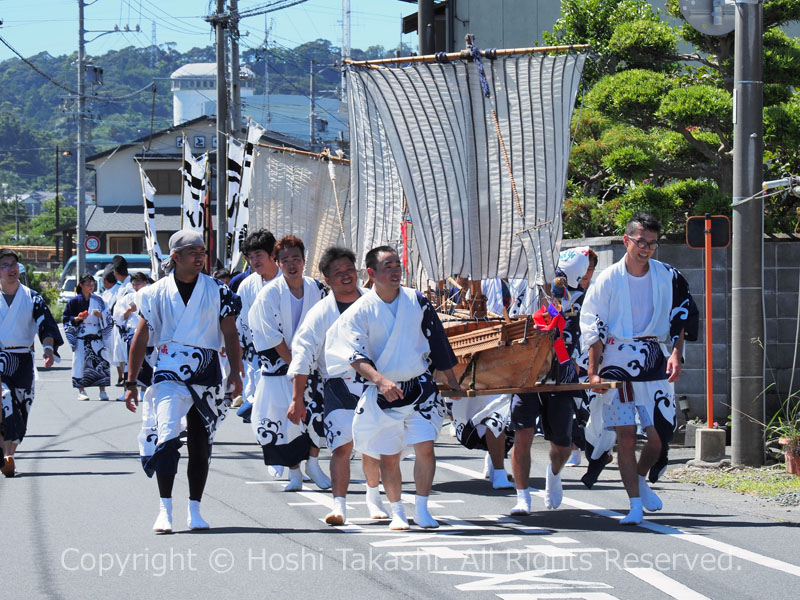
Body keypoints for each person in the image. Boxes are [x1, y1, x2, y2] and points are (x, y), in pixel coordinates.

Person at [326, 246, 463, 530]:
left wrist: (451, 378)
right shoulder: (359, 311)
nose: (395, 270)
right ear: (373, 274)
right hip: (384, 390)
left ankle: (422, 509)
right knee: (389, 456)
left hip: (420, 387)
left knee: (425, 447)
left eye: (397, 264)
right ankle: (397, 510)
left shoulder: (417, 300)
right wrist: (380, 380)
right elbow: (354, 355)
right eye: (387, 266)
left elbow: (437, 340)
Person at [580, 212, 698, 525]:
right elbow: (592, 326)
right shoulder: (608, 279)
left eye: (652, 244)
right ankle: (633, 504)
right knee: (627, 437)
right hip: (617, 361)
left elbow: (682, 316)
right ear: (626, 240)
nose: (645, 248)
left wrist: (676, 354)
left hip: (654, 355)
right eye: (640, 241)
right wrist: (594, 372)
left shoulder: (667, 276)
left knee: (659, 437)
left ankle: (641, 479)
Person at [124, 230, 243, 533]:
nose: (200, 256)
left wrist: (236, 371)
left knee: (201, 445)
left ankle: (195, 509)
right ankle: (165, 509)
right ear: (175, 257)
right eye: (192, 251)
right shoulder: (154, 292)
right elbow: (142, 336)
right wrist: (131, 380)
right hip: (169, 371)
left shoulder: (219, 290)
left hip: (207, 371)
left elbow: (230, 333)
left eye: (202, 251)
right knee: (167, 438)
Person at [288, 246, 389, 524]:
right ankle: (339, 505)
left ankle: (373, 497)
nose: (345, 276)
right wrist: (297, 397)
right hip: (338, 383)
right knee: (341, 447)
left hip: (374, 381)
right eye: (337, 273)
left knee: (372, 445)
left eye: (348, 270)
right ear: (327, 280)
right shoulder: (320, 312)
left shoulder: (375, 301)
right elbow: (303, 354)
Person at [248, 235, 329, 491]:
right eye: (285, 260)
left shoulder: (318, 289)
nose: (291, 264)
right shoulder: (268, 294)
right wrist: (296, 365)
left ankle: (313, 463)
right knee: (287, 421)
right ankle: (294, 472)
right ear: (277, 262)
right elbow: (271, 335)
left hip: (312, 364)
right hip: (280, 367)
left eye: (296, 259)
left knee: (318, 413)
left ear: (304, 261)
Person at [0, 249, 62, 477]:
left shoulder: (32, 297)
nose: (10, 268)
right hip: (0, 358)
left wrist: (47, 348)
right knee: (4, 401)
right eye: (5, 265)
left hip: (24, 360)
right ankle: (7, 455)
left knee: (21, 411)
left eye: (13, 264)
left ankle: (9, 456)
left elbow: (45, 325)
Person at [234, 230, 280, 418]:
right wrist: (240, 351)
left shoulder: (287, 281)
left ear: (272, 255)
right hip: (256, 352)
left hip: (284, 351)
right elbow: (242, 320)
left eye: (259, 255)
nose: (255, 261)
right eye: (250, 257)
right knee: (260, 411)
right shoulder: (247, 285)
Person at [63, 273, 112, 401]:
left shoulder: (99, 300)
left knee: (100, 361)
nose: (91, 286)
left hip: (96, 334)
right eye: (88, 284)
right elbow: (67, 318)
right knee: (80, 362)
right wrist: (78, 318)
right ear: (81, 285)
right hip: (82, 335)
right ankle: (81, 390)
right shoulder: (74, 301)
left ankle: (102, 390)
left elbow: (109, 315)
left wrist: (101, 315)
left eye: (92, 284)